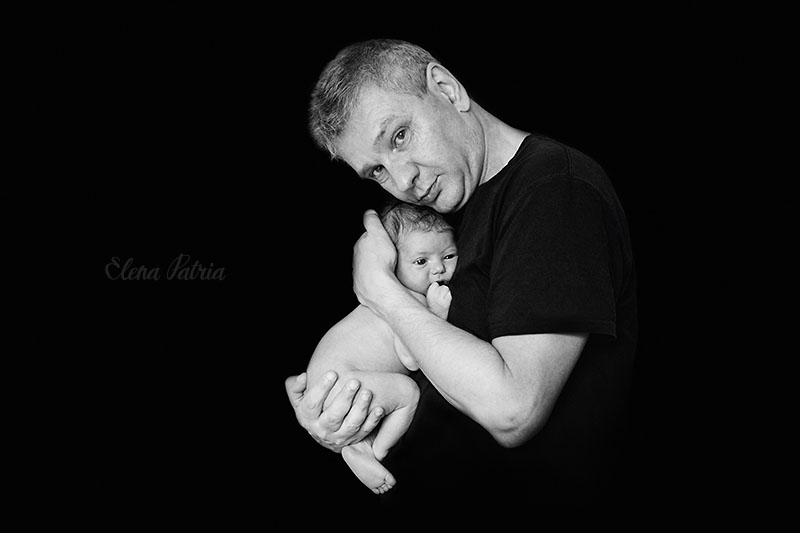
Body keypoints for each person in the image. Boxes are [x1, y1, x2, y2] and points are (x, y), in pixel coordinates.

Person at [285, 38, 637, 507]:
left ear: (447, 88)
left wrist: (380, 291)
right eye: (377, 172)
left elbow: (513, 409)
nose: (402, 180)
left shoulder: (554, 189)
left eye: (399, 136)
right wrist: (338, 408)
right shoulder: (446, 219)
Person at [300, 201, 457, 494]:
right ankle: (372, 449)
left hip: (328, 382)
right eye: (421, 261)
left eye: (449, 255)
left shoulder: (388, 299)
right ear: (392, 266)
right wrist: (437, 314)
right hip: (339, 384)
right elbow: (412, 359)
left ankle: (362, 445)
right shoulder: (402, 301)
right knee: (408, 392)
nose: (438, 268)